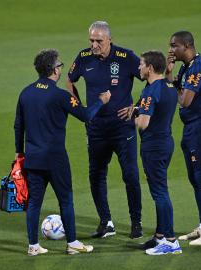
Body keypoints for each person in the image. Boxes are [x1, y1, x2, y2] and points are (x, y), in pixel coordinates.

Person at [14, 49, 111, 255]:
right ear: (53, 70)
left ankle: (33, 246)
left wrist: (18, 152)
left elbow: (18, 125)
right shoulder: (60, 96)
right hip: (55, 159)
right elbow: (85, 115)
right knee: (65, 200)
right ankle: (73, 243)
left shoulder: (26, 93)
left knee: (34, 203)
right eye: (59, 65)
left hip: (33, 158)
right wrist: (101, 101)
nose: (60, 68)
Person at [66, 21, 143, 239]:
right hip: (96, 128)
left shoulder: (126, 58)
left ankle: (136, 223)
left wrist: (137, 107)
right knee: (96, 175)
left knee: (130, 175)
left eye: (99, 41)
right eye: (91, 40)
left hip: (122, 128)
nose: (94, 45)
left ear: (110, 39)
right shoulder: (83, 57)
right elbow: (70, 80)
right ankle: (105, 222)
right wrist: (81, 109)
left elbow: (151, 78)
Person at [119, 51, 181, 255]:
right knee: (160, 190)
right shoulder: (169, 86)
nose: (139, 68)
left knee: (160, 193)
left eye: (141, 65)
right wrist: (137, 109)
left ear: (150, 68)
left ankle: (171, 241)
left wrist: (132, 117)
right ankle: (160, 236)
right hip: (165, 142)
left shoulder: (150, 91)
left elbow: (143, 124)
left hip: (153, 146)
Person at [166, 31, 201, 245]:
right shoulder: (186, 67)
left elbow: (185, 100)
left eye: (174, 46)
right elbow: (177, 90)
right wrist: (170, 74)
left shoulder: (199, 67)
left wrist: (177, 89)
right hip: (192, 127)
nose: (171, 50)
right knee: (195, 178)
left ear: (187, 46)